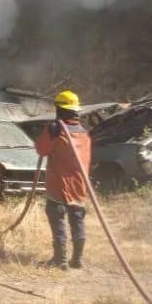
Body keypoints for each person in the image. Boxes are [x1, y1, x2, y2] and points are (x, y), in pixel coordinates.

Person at [35, 90, 92, 270]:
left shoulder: (55, 129)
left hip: (59, 185)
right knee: (77, 220)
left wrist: (48, 132)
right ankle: (77, 259)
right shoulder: (84, 131)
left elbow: (41, 149)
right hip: (79, 186)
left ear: (58, 109)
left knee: (57, 218)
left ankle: (60, 260)